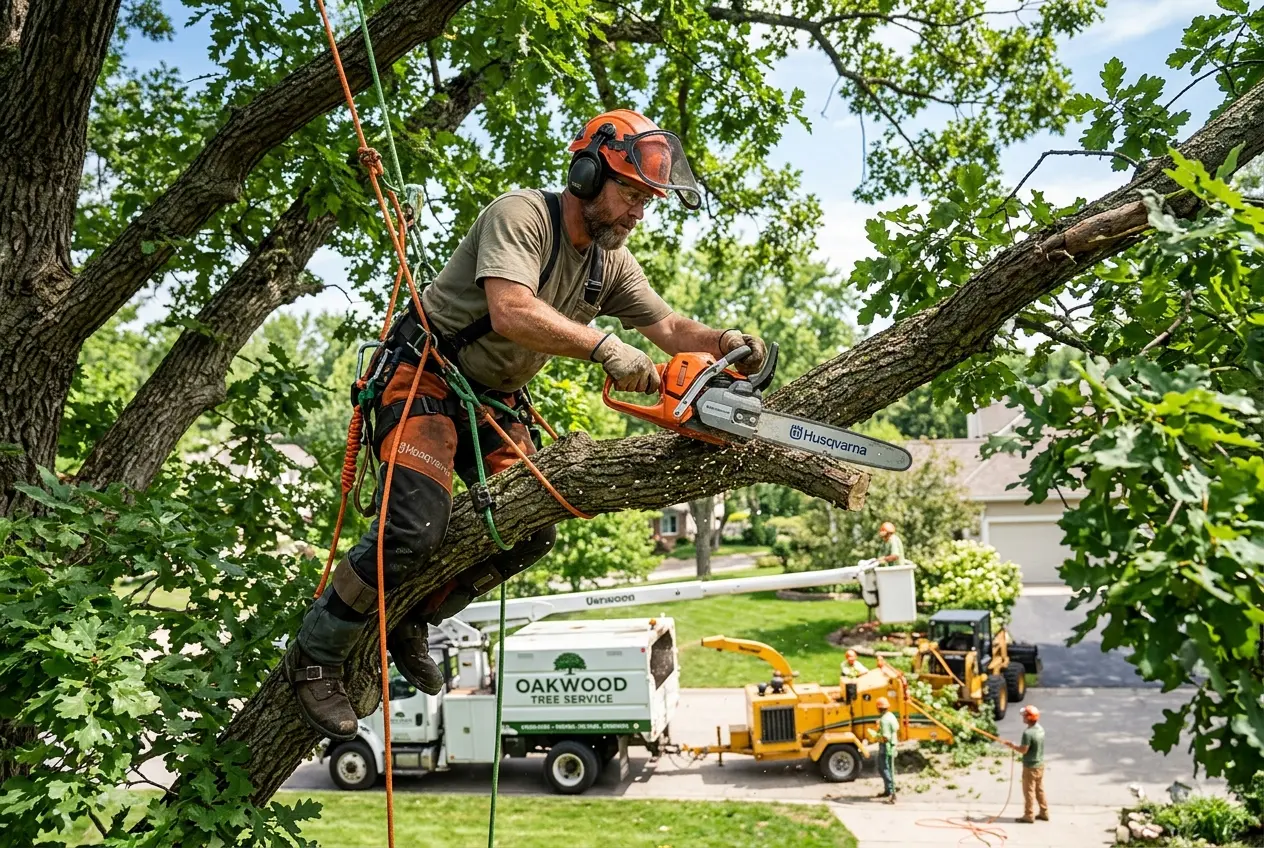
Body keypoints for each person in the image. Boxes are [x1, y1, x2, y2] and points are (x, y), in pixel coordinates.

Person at [285, 108, 769, 741]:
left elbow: (670, 328)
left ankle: (415, 617)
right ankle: (316, 657)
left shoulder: (610, 264)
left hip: (495, 398)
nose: (636, 214)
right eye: (630, 194)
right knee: (410, 531)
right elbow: (510, 311)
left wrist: (725, 340)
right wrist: (602, 347)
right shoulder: (522, 217)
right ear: (589, 174)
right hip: (426, 376)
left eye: (647, 202)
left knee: (533, 526)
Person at [1006, 704, 1049, 823]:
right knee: (1039, 789)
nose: (1022, 718)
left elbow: (1024, 750)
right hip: (1040, 765)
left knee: (1028, 791)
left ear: (1028, 718)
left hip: (1030, 767)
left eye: (1024, 716)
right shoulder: (1040, 729)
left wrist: (1013, 746)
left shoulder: (1028, 733)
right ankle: (1044, 812)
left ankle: (1029, 815)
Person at [874, 696, 899, 803]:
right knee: (888, 768)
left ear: (879, 708)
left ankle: (892, 793)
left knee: (884, 768)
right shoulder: (891, 716)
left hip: (886, 746)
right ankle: (888, 791)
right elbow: (896, 727)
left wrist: (876, 736)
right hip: (893, 744)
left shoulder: (884, 720)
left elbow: (885, 737)